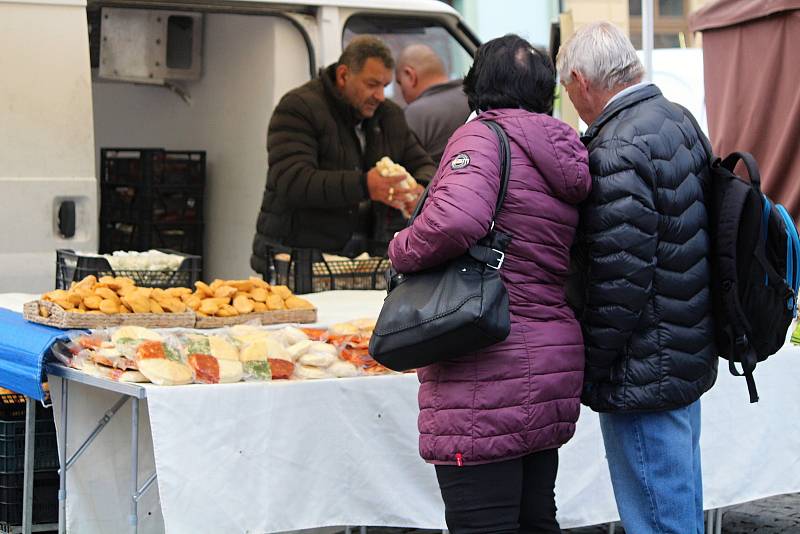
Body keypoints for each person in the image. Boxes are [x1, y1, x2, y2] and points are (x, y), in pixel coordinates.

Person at [389, 34, 591, 533]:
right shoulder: (564, 147)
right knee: (535, 518)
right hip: (550, 356)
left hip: (483, 360)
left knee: (482, 524)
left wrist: (400, 247)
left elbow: (455, 222)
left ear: (477, 86)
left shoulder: (483, 137)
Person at [557, 22, 717, 534]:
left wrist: (592, 365)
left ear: (581, 80)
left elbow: (617, 280)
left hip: (641, 363)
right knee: (680, 504)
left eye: (567, 90)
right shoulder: (679, 118)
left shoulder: (614, 147)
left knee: (658, 516)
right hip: (686, 345)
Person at [251, 36, 434, 276]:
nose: (380, 95)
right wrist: (365, 185)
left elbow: (425, 165)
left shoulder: (390, 116)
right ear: (343, 75)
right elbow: (291, 180)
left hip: (367, 258)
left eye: (385, 85)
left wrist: (420, 190)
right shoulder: (299, 107)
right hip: (300, 257)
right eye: (371, 84)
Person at [395, 44, 471, 164]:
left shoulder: (414, 114)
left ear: (410, 75)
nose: (401, 91)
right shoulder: (476, 97)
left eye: (399, 83)